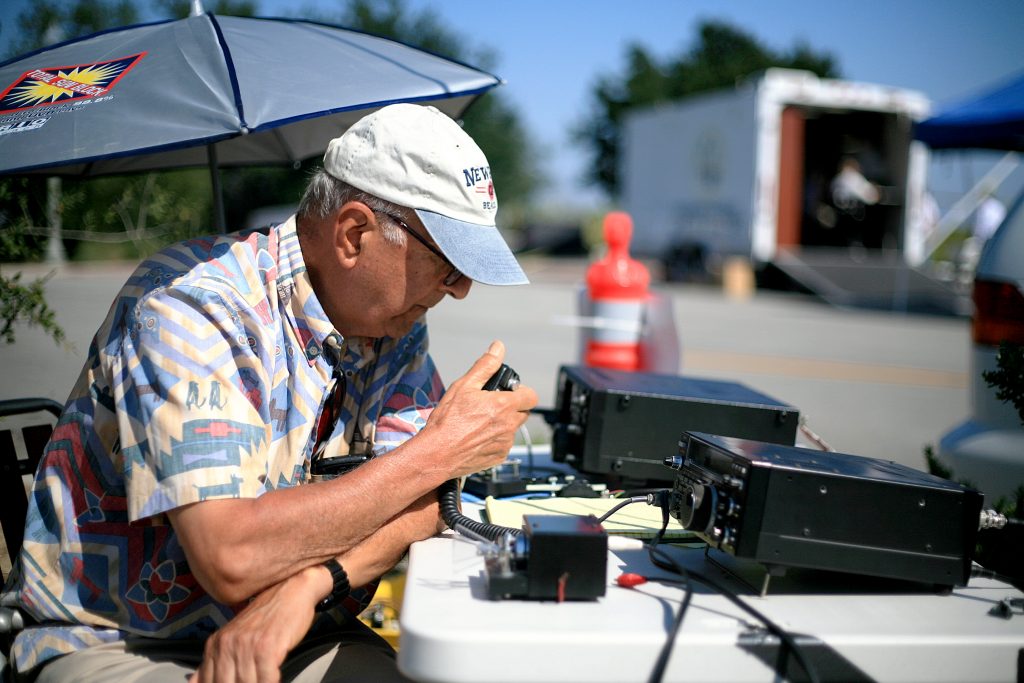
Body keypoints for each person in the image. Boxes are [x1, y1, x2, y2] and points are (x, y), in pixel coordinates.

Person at [0, 103, 538, 683]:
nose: (459, 290)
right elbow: (232, 555)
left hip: (302, 622)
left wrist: (312, 584)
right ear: (354, 235)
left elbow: (429, 506)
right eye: (449, 263)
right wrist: (439, 450)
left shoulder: (392, 322)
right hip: (117, 638)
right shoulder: (192, 307)